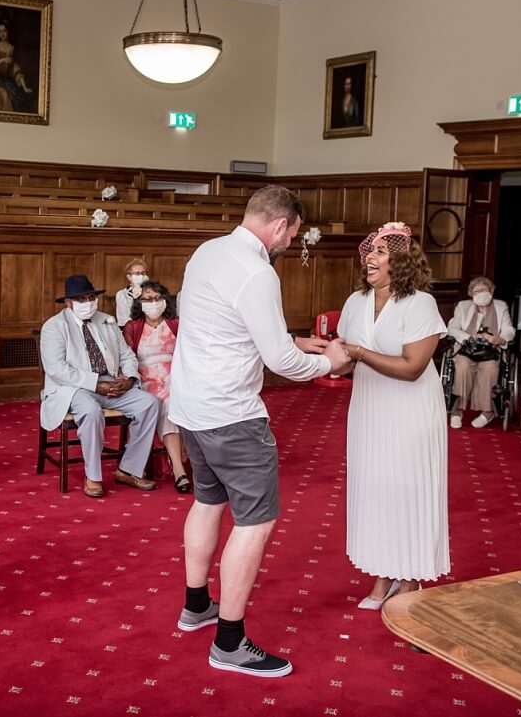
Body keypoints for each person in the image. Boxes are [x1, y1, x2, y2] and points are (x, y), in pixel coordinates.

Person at [171, 185, 349, 678]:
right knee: (254, 522)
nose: (290, 243)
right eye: (292, 234)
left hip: (191, 406)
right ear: (279, 225)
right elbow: (279, 362)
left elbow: (217, 322)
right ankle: (229, 642)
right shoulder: (258, 271)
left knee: (207, 502)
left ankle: (196, 607)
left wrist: (290, 337)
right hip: (232, 415)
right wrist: (326, 362)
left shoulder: (208, 251)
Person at [333, 222, 449, 611]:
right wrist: (325, 357)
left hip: (410, 411)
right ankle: (383, 573)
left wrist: (358, 353)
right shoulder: (354, 302)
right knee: (377, 490)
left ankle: (411, 576)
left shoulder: (420, 304)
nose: (371, 256)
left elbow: (412, 366)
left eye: (381, 251)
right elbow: (344, 364)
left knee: (406, 489)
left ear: (401, 261)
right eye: (371, 250)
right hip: (369, 408)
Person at [39, 274, 160, 498]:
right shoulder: (53, 327)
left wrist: (130, 379)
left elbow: (127, 355)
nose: (88, 304)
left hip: (111, 384)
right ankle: (93, 476)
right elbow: (56, 368)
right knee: (91, 412)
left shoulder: (107, 320)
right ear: (68, 303)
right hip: (74, 389)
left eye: (90, 298)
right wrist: (95, 384)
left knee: (149, 404)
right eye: (81, 300)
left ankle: (128, 469)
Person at [121, 280, 189, 492]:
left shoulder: (176, 323)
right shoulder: (133, 327)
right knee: (165, 403)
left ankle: (199, 462)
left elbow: (189, 352)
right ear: (139, 303)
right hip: (146, 377)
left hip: (176, 374)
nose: (153, 302)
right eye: (147, 299)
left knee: (179, 398)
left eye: (157, 298)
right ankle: (179, 469)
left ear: (165, 301)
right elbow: (126, 357)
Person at [445, 276, 515, 429]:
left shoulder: (500, 306)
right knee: (462, 367)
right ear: (471, 294)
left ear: (491, 290)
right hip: (467, 349)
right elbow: (452, 328)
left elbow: (509, 329)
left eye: (484, 289)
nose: (481, 293)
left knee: (490, 368)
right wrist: (469, 337)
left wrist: (500, 339)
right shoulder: (463, 306)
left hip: (490, 350)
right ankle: (457, 410)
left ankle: (487, 411)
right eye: (477, 291)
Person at [115, 258, 149, 327]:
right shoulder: (122, 294)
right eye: (137, 273)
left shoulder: (152, 292)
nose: (141, 276)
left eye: (143, 273)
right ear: (129, 277)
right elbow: (125, 320)